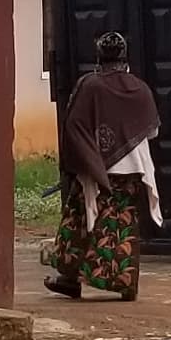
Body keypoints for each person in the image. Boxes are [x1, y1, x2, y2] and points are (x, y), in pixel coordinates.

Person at [47, 32, 162, 302]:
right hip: (133, 168)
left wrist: (82, 159)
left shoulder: (90, 85)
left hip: (96, 168)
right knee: (122, 225)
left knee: (80, 220)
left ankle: (70, 279)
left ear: (99, 58)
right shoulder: (140, 89)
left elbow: (75, 126)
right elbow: (152, 131)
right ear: (125, 58)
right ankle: (126, 285)